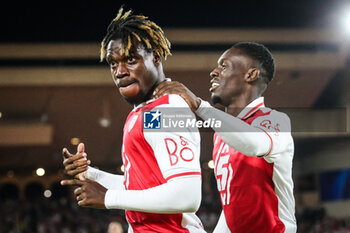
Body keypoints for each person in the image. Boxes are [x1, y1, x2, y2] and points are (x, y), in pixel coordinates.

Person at [60, 7, 205, 233]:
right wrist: (90, 173)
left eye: (130, 59)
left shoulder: (167, 109)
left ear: (156, 56)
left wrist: (108, 198)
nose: (119, 71)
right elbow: (139, 186)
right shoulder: (141, 112)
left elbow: (187, 195)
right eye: (113, 63)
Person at [153, 42, 297, 233]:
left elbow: (253, 144)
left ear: (251, 74)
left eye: (224, 66)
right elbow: (232, 208)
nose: (214, 72)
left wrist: (199, 106)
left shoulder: (276, 121)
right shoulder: (221, 136)